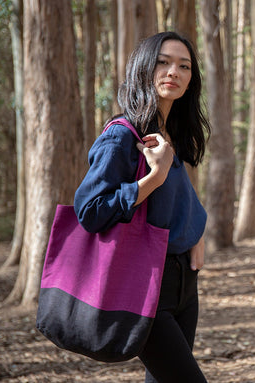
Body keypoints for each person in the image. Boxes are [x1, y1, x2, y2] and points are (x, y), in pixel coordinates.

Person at [74, 31, 210, 383]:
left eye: (184, 66)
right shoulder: (122, 135)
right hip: (146, 283)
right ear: (143, 68)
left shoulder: (169, 131)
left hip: (184, 284)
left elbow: (178, 195)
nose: (173, 72)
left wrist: (196, 232)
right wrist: (153, 178)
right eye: (163, 62)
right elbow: (89, 211)